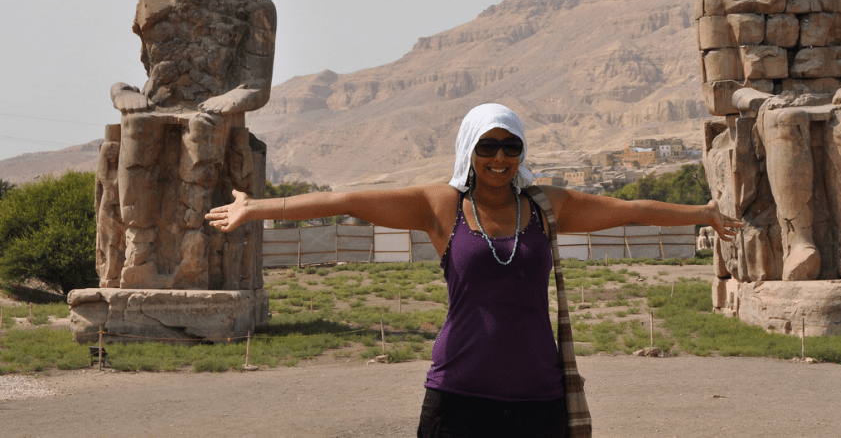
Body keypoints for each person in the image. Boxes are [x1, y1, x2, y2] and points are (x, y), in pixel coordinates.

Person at [207, 103, 742, 437]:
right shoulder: (440, 206)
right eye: (488, 146)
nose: (500, 158)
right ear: (469, 149)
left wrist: (702, 214)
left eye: (511, 147)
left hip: (539, 398)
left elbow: (631, 210)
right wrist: (258, 208)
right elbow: (344, 199)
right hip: (458, 396)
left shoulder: (545, 207)